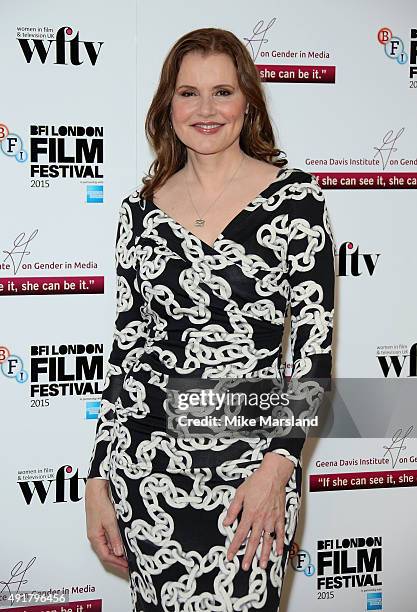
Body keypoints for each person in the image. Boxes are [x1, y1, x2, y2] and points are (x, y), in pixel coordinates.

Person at [84, 27, 335, 612]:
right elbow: (126, 349)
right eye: (188, 93)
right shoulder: (139, 213)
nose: (205, 109)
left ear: (247, 101)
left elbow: (313, 349)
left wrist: (281, 464)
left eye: (221, 91)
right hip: (145, 469)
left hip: (253, 471)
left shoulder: (296, 200)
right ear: (166, 106)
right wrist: (97, 476)